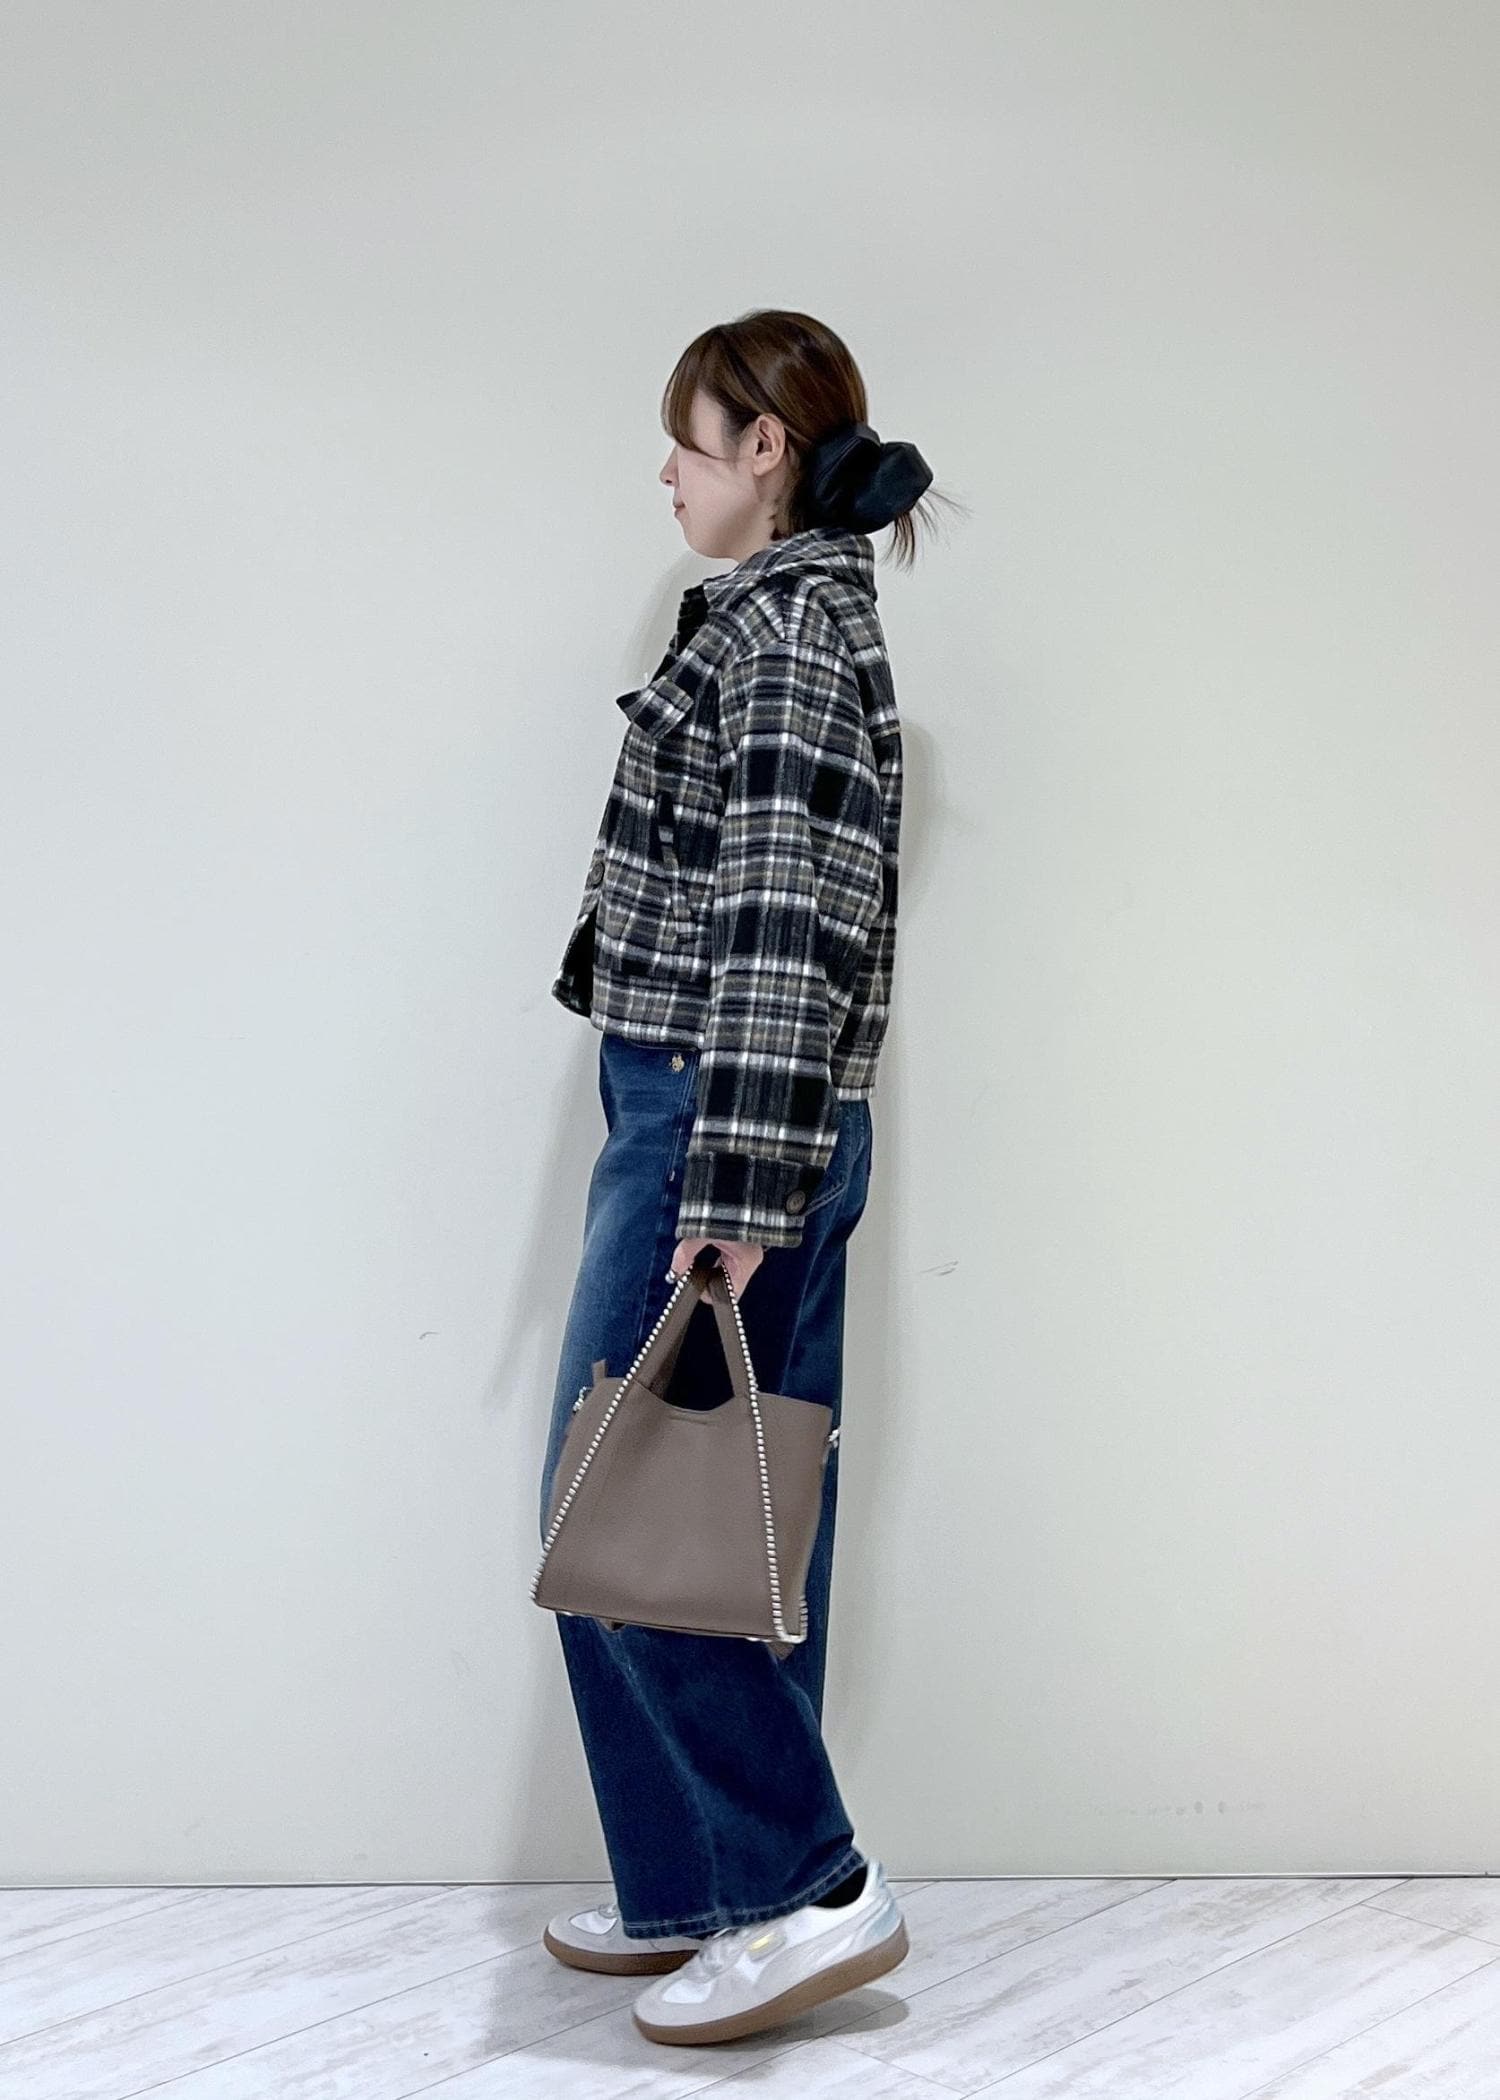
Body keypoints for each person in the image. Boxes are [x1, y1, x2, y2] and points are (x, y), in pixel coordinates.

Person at [535, 307, 956, 2047]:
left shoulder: (782, 636)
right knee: (731, 1523)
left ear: (764, 448)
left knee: (634, 1514)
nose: (667, 471)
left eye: (689, 439)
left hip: (720, 1116)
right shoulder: (787, 618)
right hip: (737, 1115)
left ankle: (806, 1888)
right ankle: (699, 1887)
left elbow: (785, 923)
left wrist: (735, 1186)